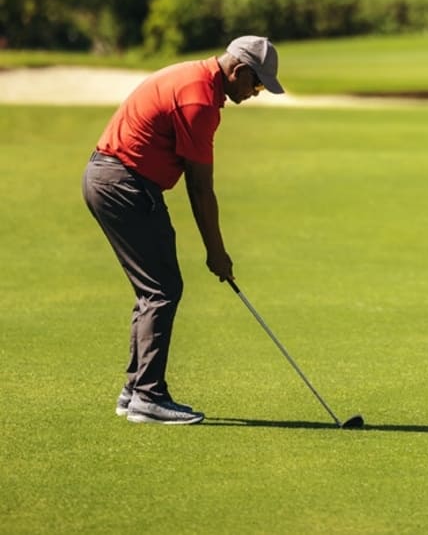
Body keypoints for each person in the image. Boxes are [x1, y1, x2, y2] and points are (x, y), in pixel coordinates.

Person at [82, 36, 285, 424]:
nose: (255, 93)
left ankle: (135, 390)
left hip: (112, 179)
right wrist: (217, 252)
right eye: (257, 84)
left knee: (153, 288)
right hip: (123, 184)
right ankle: (148, 397)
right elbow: (200, 188)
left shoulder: (195, 77)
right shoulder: (200, 100)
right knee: (162, 289)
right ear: (240, 71)